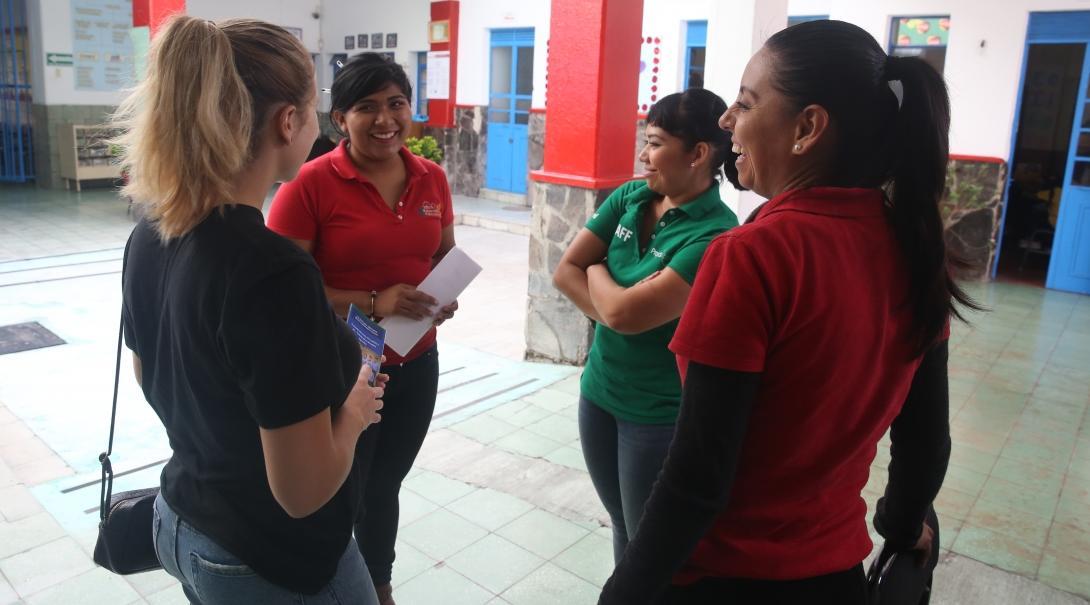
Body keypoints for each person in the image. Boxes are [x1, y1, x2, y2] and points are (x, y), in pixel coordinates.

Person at [599, 19, 975, 604]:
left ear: (807, 128)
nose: (726, 121)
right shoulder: (916, 252)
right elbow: (927, 442)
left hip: (725, 582)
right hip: (835, 581)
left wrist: (623, 594)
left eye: (745, 105)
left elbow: (699, 475)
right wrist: (904, 528)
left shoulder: (751, 258)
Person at [116, 16, 384, 604]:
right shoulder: (269, 268)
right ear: (287, 123)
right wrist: (356, 410)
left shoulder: (152, 232)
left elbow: (154, 376)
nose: (316, 123)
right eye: (313, 108)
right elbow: (302, 490)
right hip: (267, 557)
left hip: (182, 519)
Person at [267, 52, 456, 605]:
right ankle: (327, 584)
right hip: (340, 366)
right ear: (339, 119)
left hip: (415, 360)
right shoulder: (310, 184)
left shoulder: (432, 178)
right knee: (339, 489)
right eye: (366, 107)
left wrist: (442, 299)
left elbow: (444, 256)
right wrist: (373, 302)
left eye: (396, 104)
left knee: (384, 484)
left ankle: (376, 584)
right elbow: (282, 289)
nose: (385, 119)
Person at [553, 88, 741, 564]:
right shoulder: (631, 197)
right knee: (622, 524)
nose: (643, 154)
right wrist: (614, 293)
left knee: (648, 545)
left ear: (698, 154)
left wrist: (598, 277)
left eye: (655, 143)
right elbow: (565, 273)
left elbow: (618, 314)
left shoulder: (714, 236)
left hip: (655, 415)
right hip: (598, 394)